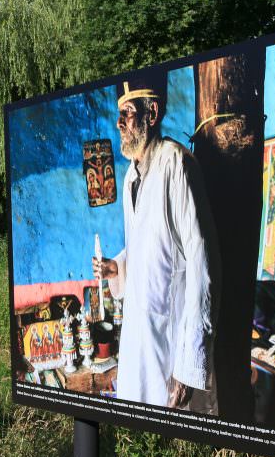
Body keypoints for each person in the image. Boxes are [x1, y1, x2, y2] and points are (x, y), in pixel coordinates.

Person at [92, 82, 220, 412]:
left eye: (127, 114)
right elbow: (145, 246)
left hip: (171, 340)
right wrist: (117, 267)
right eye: (118, 115)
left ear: (152, 114)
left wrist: (188, 367)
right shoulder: (130, 177)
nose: (119, 123)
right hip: (139, 337)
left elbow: (201, 262)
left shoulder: (176, 164)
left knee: (171, 441)